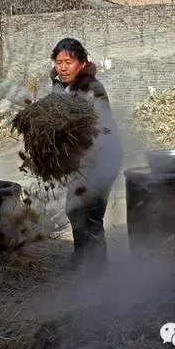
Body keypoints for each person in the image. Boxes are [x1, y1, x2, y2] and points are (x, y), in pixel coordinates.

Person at [50, 38, 123, 271]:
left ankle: (96, 270)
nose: (62, 67)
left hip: (100, 159)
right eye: (58, 62)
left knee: (88, 214)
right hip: (79, 161)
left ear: (82, 63)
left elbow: (99, 128)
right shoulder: (61, 86)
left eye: (68, 62)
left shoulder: (91, 89)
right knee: (74, 209)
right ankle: (82, 258)